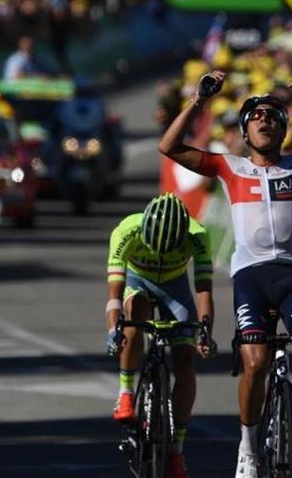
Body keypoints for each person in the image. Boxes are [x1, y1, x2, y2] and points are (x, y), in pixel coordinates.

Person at [158, 71, 292, 477]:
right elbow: (168, 146)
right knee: (254, 364)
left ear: (284, 129)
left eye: (273, 115)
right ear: (245, 131)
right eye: (256, 117)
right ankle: (248, 450)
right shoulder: (230, 168)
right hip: (251, 279)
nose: (264, 120)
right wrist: (200, 100)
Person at [104, 193, 216, 478]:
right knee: (135, 313)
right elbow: (115, 296)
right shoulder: (126, 231)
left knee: (185, 361)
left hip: (175, 288)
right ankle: (126, 392)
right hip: (137, 281)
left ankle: (176, 450)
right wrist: (112, 330)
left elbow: (204, 290)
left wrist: (205, 332)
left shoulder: (198, 235)